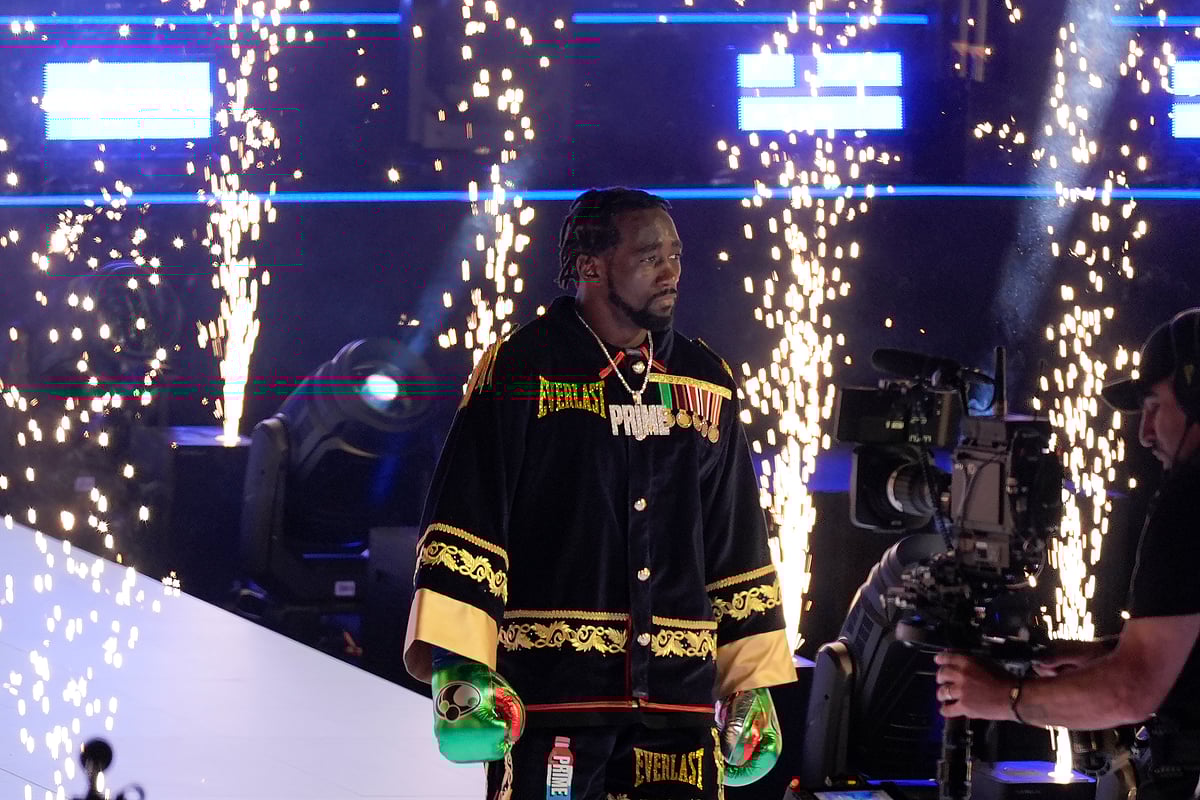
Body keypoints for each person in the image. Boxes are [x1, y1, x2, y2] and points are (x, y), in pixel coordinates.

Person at [402, 187, 797, 799]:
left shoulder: (707, 381)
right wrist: (459, 666)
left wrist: (750, 681)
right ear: (590, 266)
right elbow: (468, 514)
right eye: (648, 257)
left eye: (675, 255)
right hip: (552, 696)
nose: (670, 273)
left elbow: (736, 536)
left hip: (679, 705)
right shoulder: (521, 367)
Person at [933, 308, 1200, 798]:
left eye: (1154, 406)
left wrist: (1001, 698)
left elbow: (1130, 691)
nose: (1144, 433)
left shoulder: (1189, 501)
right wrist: (1104, 654)